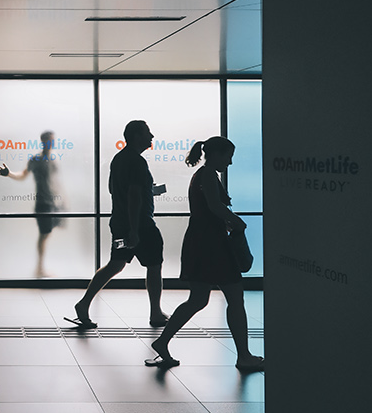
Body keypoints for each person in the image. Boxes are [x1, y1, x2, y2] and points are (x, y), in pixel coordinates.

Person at [146, 136, 264, 371]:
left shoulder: (201, 175)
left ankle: (162, 341)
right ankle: (244, 355)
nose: (230, 162)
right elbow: (214, 206)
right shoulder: (209, 175)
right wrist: (236, 221)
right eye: (228, 156)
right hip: (213, 245)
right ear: (218, 154)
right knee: (235, 298)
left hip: (200, 242)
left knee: (198, 299)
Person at [67, 120, 168, 329]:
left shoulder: (119, 159)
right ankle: (156, 313)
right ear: (136, 136)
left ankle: (84, 303)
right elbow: (133, 196)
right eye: (147, 133)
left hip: (120, 224)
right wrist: (134, 229)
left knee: (117, 262)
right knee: (154, 264)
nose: (152, 136)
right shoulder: (137, 162)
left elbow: (115, 189)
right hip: (141, 226)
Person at [0, 130, 64, 277]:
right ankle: (39, 269)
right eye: (50, 140)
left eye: (53, 140)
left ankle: (40, 268)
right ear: (43, 141)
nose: (52, 143)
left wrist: (62, 200)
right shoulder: (36, 159)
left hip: (54, 202)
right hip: (43, 203)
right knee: (44, 235)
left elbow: (56, 181)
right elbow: (23, 175)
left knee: (46, 235)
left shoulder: (54, 158)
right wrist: (9, 174)